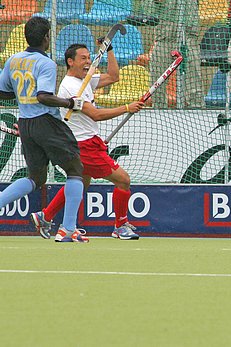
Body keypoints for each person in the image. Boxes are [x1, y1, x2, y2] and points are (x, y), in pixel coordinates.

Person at [30, 43, 145, 241]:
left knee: (79, 184)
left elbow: (113, 77)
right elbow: (96, 115)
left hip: (85, 142)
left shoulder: (84, 81)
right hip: (84, 145)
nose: (88, 61)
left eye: (89, 57)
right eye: (83, 58)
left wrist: (109, 50)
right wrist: (127, 107)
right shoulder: (72, 87)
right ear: (70, 61)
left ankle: (45, 216)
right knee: (123, 180)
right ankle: (120, 225)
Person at [0, 17, 87, 243]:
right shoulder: (45, 62)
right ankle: (68, 229)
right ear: (47, 37)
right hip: (46, 122)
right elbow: (44, 97)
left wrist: (22, 97)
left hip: (27, 124)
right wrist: (70, 103)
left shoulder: (14, 60)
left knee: (35, 178)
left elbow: (3, 92)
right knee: (75, 169)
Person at [150, 0, 204, 108]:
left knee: (194, 84)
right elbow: (149, 9)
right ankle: (158, 110)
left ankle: (197, 110)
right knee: (156, 81)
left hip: (188, 38)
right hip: (164, 38)